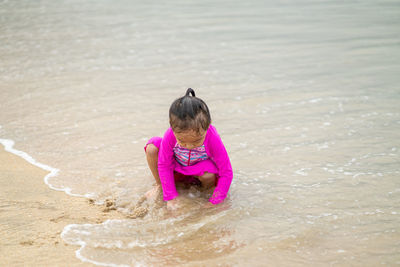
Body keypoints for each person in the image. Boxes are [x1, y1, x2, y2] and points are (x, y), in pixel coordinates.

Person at [144, 88, 233, 209]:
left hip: (198, 170)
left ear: (208, 125)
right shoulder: (170, 134)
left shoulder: (212, 137)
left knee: (209, 176)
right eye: (182, 141)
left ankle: (204, 194)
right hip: (177, 167)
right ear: (172, 127)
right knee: (152, 148)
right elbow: (164, 165)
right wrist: (171, 197)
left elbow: (226, 171)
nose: (190, 146)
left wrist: (216, 200)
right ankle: (159, 185)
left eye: (196, 141)